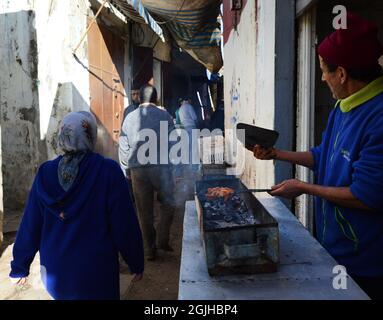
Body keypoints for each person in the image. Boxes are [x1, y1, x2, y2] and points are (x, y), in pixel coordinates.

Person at [253, 13, 383, 299]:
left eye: (324, 71)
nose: (322, 78)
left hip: (366, 261)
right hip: (332, 245)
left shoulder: (378, 116)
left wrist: (303, 188)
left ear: (342, 73)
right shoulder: (343, 106)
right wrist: (278, 154)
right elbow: (323, 155)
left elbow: (367, 195)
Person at [9, 111, 144, 300]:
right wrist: (135, 261)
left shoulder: (45, 173)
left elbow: (31, 224)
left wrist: (20, 266)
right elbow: (124, 224)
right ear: (90, 137)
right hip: (97, 274)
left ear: (62, 135)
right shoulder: (108, 171)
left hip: (57, 275)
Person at [119, 84, 176, 261]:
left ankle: (149, 250)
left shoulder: (129, 117)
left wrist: (126, 169)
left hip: (137, 170)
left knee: (144, 211)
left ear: (139, 98)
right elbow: (174, 142)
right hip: (161, 168)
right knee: (169, 202)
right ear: (155, 98)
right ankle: (162, 238)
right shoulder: (164, 115)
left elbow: (123, 145)